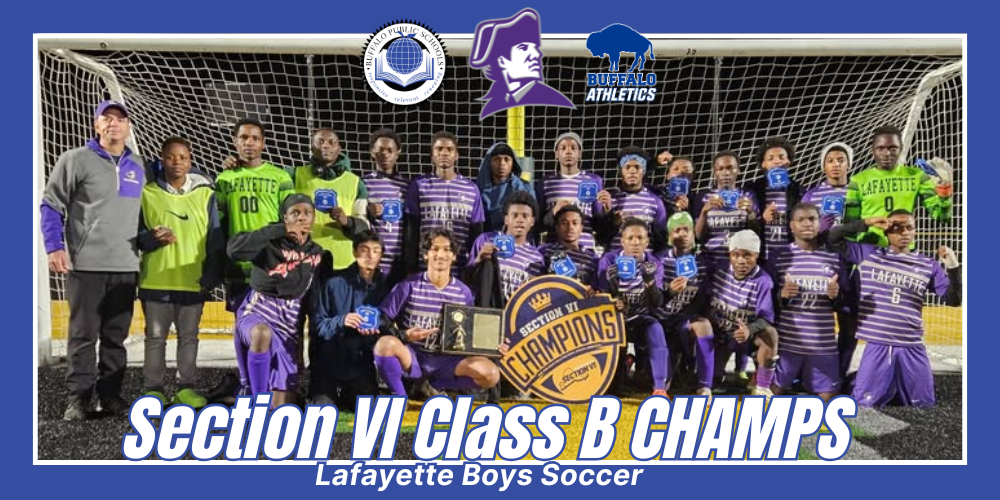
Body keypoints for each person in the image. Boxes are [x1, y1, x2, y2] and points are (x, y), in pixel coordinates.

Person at [41, 100, 146, 420]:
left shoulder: (141, 166)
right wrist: (53, 247)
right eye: (107, 118)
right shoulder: (74, 160)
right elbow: (50, 205)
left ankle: (111, 395)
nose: (114, 123)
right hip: (85, 265)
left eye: (120, 119)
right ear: (96, 124)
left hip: (126, 266)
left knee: (116, 338)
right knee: (82, 335)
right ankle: (79, 398)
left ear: (128, 127)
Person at [828, 210, 961, 407]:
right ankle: (858, 380)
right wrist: (868, 222)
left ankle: (887, 386)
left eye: (909, 228)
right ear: (887, 232)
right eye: (897, 228)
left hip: (913, 345)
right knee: (863, 406)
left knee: (924, 405)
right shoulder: (869, 254)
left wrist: (953, 267)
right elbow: (832, 238)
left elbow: (953, 299)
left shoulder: (927, 265)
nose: (904, 233)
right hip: (878, 344)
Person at [136, 137, 224, 408]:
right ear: (162, 159)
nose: (177, 162)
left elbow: (216, 240)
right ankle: (154, 389)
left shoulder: (206, 195)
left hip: (192, 281)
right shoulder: (147, 193)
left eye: (182, 157)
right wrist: (152, 239)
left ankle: (186, 387)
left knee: (189, 338)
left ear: (190, 160)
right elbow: (136, 237)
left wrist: (210, 278)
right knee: (155, 339)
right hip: (156, 280)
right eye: (171, 157)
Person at [374, 230, 501, 396]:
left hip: (447, 360)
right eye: (435, 249)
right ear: (426, 255)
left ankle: (434, 386)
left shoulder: (464, 293)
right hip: (414, 356)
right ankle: (399, 395)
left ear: (454, 256)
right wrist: (405, 335)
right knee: (384, 345)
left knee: (491, 374)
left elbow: (470, 335)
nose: (440, 254)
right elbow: (382, 319)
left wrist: (493, 347)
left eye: (447, 249)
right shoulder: (408, 285)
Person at [227, 194, 323, 407]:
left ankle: (251, 393)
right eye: (294, 213)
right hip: (259, 310)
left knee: (281, 407)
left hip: (289, 321)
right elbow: (234, 251)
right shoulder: (269, 242)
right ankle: (254, 397)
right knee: (262, 333)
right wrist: (280, 229)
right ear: (284, 217)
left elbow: (309, 298)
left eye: (307, 213)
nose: (301, 218)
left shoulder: (317, 253)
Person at [767, 204, 847, 403]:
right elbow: (766, 301)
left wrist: (835, 296)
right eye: (801, 219)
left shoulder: (834, 258)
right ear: (792, 226)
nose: (807, 223)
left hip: (823, 345)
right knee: (770, 397)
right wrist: (782, 295)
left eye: (812, 219)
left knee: (829, 402)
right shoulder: (779, 256)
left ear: (819, 224)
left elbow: (844, 304)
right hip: (787, 345)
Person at [215, 118, 296, 313]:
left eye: (255, 138)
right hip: (238, 268)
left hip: (272, 265)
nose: (249, 142)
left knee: (273, 325)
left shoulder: (281, 177)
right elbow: (218, 224)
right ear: (235, 141)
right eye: (243, 137)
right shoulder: (224, 178)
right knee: (242, 327)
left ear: (263, 143)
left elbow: (291, 222)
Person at [311, 230, 392, 410]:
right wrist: (342, 320)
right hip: (330, 362)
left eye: (376, 251)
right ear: (355, 252)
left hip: (361, 365)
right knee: (322, 408)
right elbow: (318, 325)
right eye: (364, 250)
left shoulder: (386, 287)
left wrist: (378, 327)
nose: (370, 256)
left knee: (367, 408)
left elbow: (389, 324)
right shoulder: (334, 283)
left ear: (381, 255)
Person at [800, 141, 858, 378]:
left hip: (850, 267)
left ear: (848, 164)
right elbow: (800, 231)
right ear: (823, 165)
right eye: (831, 160)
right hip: (819, 267)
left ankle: (839, 373)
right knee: (814, 325)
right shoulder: (812, 194)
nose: (836, 165)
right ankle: (809, 374)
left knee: (850, 324)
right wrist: (816, 230)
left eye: (841, 160)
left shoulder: (858, 193)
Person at [844, 125, 953, 246]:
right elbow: (850, 226)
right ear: (872, 151)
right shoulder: (858, 181)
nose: (887, 153)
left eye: (893, 148)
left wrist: (944, 192)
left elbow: (942, 218)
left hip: (904, 253)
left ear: (901, 149)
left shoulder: (917, 176)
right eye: (881, 148)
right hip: (869, 253)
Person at [596, 218, 667, 397]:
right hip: (615, 321)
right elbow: (600, 298)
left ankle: (659, 388)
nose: (635, 242)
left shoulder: (654, 263)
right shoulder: (609, 260)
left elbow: (657, 302)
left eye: (640, 238)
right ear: (622, 241)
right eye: (630, 238)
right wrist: (613, 296)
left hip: (641, 319)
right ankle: (624, 366)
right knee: (612, 390)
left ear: (647, 241)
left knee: (655, 328)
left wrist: (650, 281)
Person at [707, 230, 778, 398]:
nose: (741, 261)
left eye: (747, 255)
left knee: (770, 334)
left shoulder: (764, 281)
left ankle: (762, 385)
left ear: (757, 255)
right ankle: (706, 376)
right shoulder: (719, 270)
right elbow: (705, 301)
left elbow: (767, 318)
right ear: (729, 254)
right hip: (722, 334)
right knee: (712, 383)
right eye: (736, 255)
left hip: (748, 336)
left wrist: (749, 330)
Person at [468, 8, 574, 119]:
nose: (537, 54)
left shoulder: (554, 102)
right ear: (502, 61)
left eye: (535, 47)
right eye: (523, 48)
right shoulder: (494, 100)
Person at [404, 132, 485, 275]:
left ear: (457, 155)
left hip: (460, 270)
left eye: (449, 149)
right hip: (426, 269)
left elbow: (476, 233)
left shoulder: (471, 189)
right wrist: (410, 267)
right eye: (439, 149)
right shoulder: (418, 186)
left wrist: (472, 268)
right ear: (432, 156)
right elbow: (412, 231)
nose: (444, 153)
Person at [290, 129, 370, 272]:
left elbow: (364, 227)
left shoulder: (356, 183)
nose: (325, 146)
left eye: (331, 142)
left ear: (339, 149)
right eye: (320, 142)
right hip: (302, 262)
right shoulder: (293, 175)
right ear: (312, 147)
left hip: (343, 264)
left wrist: (346, 222)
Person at [654, 212, 715, 399]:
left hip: (685, 320)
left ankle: (705, 386)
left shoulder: (704, 263)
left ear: (693, 233)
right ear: (669, 236)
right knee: (665, 383)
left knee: (703, 324)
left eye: (686, 229)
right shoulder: (658, 261)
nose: (681, 234)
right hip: (661, 322)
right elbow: (652, 298)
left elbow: (706, 297)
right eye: (676, 230)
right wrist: (668, 292)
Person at [466, 191, 544, 303]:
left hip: (515, 316)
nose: (520, 220)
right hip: (486, 314)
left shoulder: (536, 258)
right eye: (515, 215)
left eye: (525, 216)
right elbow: (466, 278)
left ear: (532, 221)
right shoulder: (485, 240)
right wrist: (478, 260)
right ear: (506, 219)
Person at [535, 132, 605, 251]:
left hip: (585, 250)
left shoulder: (594, 181)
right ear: (557, 154)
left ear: (580, 154)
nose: (568, 152)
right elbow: (538, 223)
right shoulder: (545, 183)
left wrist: (607, 211)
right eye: (563, 148)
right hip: (554, 250)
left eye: (573, 148)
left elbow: (599, 223)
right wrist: (554, 211)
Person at [693, 151, 761, 269]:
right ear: (715, 172)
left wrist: (750, 213)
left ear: (738, 170)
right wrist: (704, 212)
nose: (725, 173)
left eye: (730, 168)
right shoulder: (703, 197)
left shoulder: (748, 195)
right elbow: (698, 236)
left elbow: (756, 233)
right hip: (710, 260)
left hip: (738, 263)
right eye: (720, 169)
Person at [594, 147, 668, 253]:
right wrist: (613, 223)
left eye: (637, 167)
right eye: (627, 167)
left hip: (644, 265)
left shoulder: (655, 201)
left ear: (644, 171)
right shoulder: (610, 199)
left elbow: (662, 239)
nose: (632, 171)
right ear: (621, 171)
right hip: (616, 263)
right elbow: (600, 239)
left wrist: (655, 263)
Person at [363, 129, 409, 281]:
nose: (385, 154)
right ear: (372, 152)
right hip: (373, 260)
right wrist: (367, 210)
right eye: (380, 150)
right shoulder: (364, 183)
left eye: (390, 150)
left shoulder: (407, 185)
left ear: (397, 153)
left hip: (399, 262)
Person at [748, 137, 802, 259]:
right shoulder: (752, 191)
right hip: (760, 258)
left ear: (788, 161)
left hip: (789, 257)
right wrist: (762, 219)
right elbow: (744, 226)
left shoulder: (798, 191)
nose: (777, 161)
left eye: (781, 157)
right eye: (770, 158)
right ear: (763, 164)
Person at [477, 142, 536, 234]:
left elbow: (532, 219)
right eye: (497, 159)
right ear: (489, 162)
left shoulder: (524, 187)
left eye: (506, 159)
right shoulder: (478, 189)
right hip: (486, 240)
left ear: (513, 163)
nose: (501, 163)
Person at [539, 205, 599, 288]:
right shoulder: (544, 251)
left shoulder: (592, 258)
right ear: (557, 227)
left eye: (575, 223)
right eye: (564, 223)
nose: (570, 227)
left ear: (581, 227)